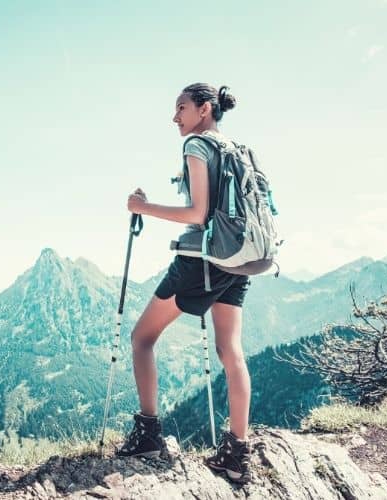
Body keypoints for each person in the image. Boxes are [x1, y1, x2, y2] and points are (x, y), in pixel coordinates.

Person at [116, 83, 253, 484]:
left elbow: (197, 214)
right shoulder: (235, 149)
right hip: (238, 261)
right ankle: (237, 453)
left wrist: (142, 207)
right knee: (231, 351)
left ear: (204, 110)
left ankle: (148, 435)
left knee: (142, 338)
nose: (175, 117)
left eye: (181, 108)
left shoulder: (196, 146)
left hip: (200, 262)